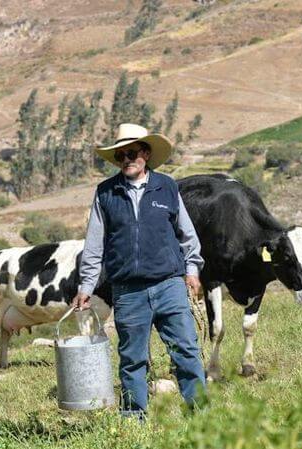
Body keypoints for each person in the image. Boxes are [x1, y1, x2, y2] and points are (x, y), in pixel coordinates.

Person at [72, 123, 206, 418]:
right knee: (132, 360)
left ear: (145, 153)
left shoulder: (167, 187)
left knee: (186, 351)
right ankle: (133, 421)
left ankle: (200, 417)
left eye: (131, 153)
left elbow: (187, 234)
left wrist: (192, 269)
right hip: (128, 291)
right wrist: (86, 287)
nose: (126, 160)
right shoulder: (106, 193)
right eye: (120, 155)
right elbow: (94, 245)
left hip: (169, 284)